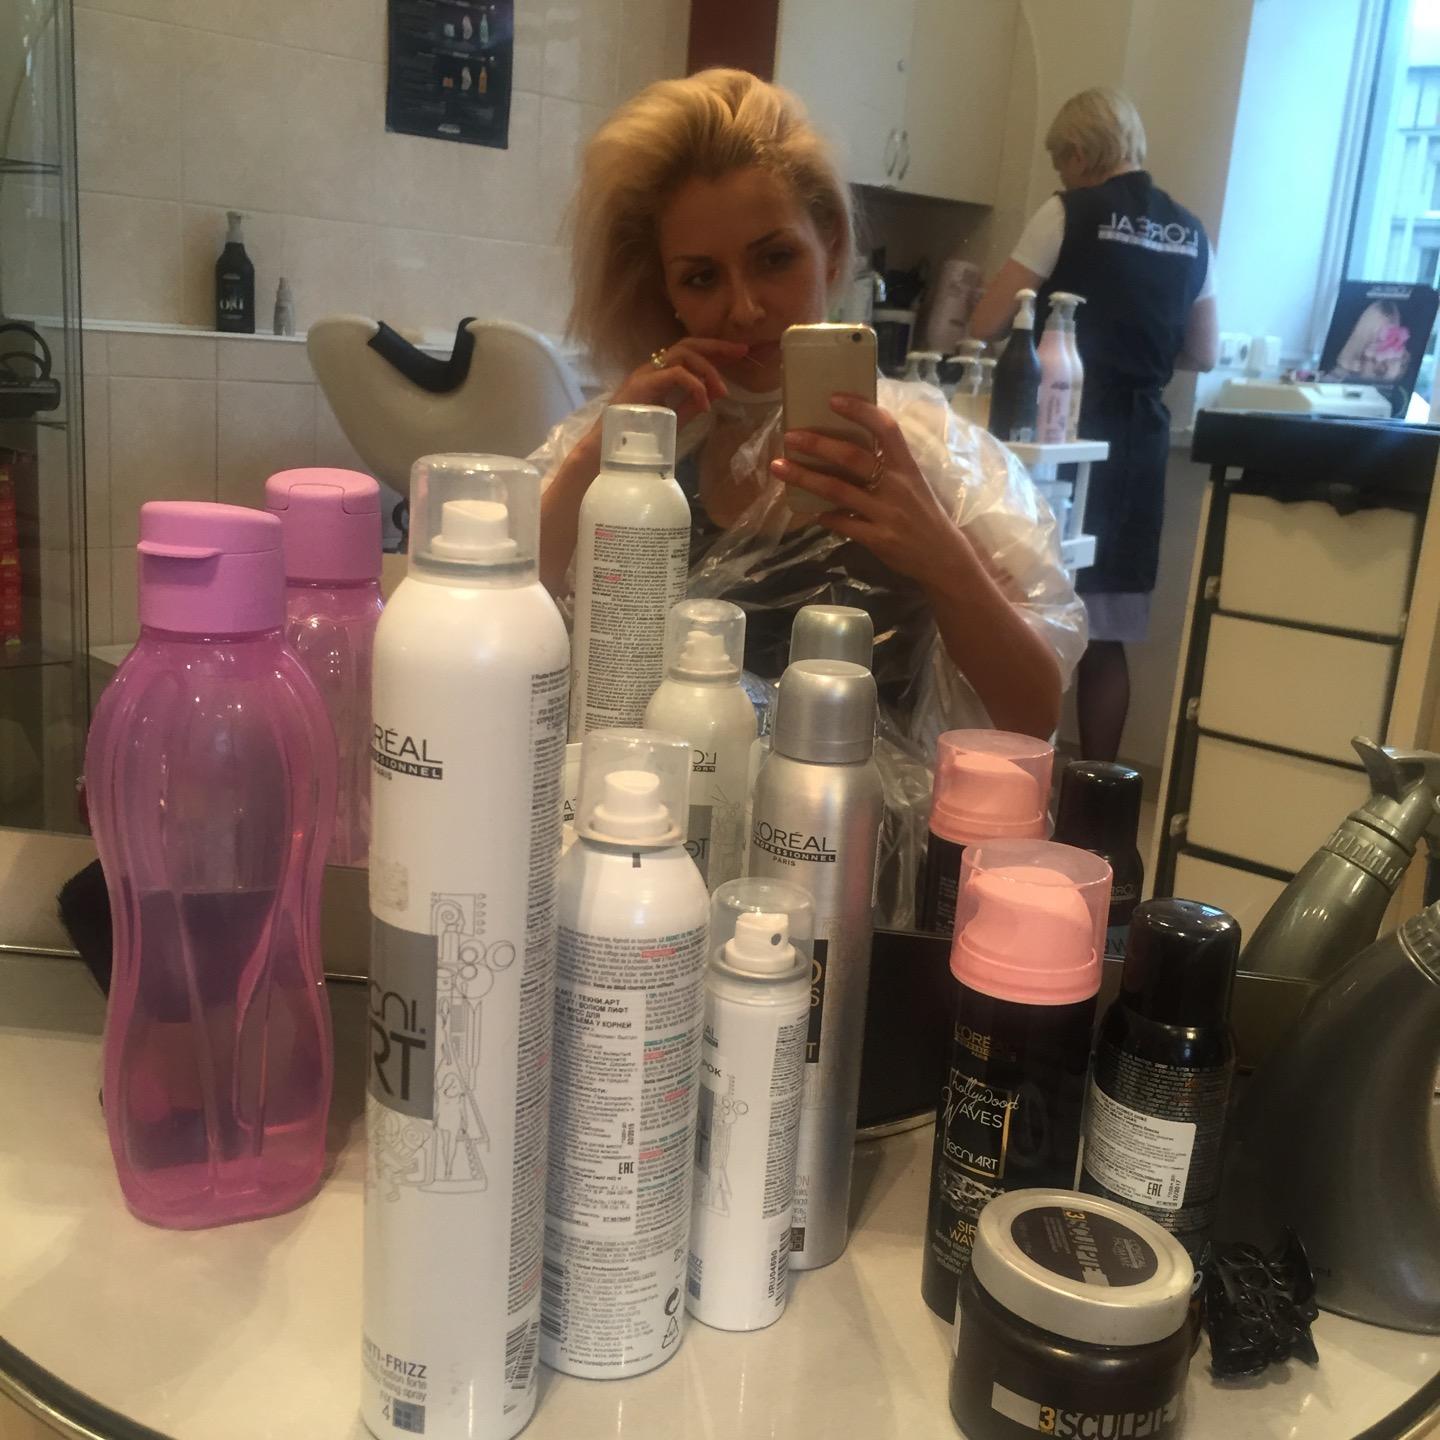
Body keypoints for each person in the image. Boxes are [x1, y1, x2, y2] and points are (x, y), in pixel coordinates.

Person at [531, 69, 1086, 921]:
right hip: (647, 888)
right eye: (701, 278)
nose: (745, 307)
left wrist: (938, 551)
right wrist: (602, 456)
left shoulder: (931, 453)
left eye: (774, 259)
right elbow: (509, 637)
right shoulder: (629, 454)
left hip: (856, 899)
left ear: (828, 243)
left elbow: (1030, 714)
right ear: (661, 289)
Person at [970, 87, 1218, 764]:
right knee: (1106, 636)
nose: (1062, 175)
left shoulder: (1067, 212)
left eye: (1061, 162)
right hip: (1137, 444)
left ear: (1078, 154)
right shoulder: (1191, 232)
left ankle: (1012, 773)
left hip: (1056, 436)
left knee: (1022, 613)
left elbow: (987, 321)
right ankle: (1097, 794)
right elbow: (1203, 352)